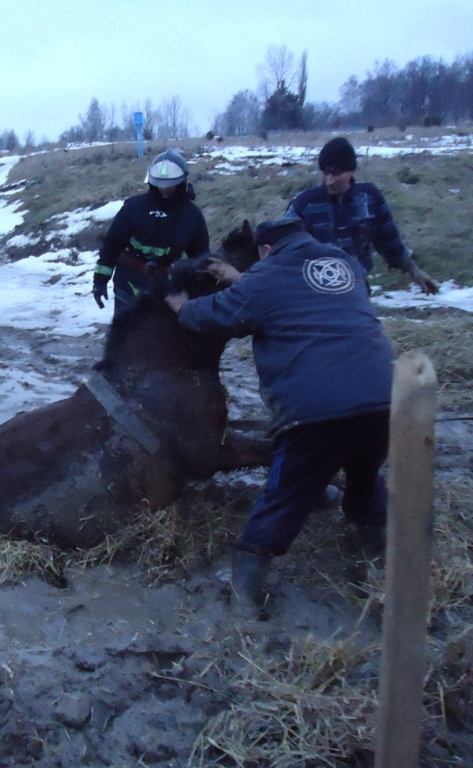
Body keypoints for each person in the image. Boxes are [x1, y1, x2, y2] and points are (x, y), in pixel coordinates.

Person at [166, 217, 394, 618]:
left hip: (316, 409)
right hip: (384, 399)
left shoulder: (267, 274)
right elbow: (302, 293)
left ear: (266, 251)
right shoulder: (345, 263)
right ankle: (375, 558)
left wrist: (183, 309)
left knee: (287, 491)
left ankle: (247, 590)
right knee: (363, 470)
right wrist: (244, 279)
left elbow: (219, 314)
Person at [287, 136, 440, 295]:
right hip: (315, 291)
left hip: (358, 290)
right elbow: (284, 250)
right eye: (325, 173)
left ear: (351, 172)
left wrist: (414, 270)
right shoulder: (304, 204)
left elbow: (390, 241)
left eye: (336, 174)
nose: (329, 181)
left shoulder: (369, 198)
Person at [92, 149, 210, 317]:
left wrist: (201, 288)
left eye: (170, 185)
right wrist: (100, 281)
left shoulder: (191, 216)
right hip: (128, 283)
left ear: (182, 182)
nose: (164, 190)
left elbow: (200, 255)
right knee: (125, 338)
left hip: (166, 287)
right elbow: (112, 244)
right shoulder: (134, 208)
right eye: (160, 185)